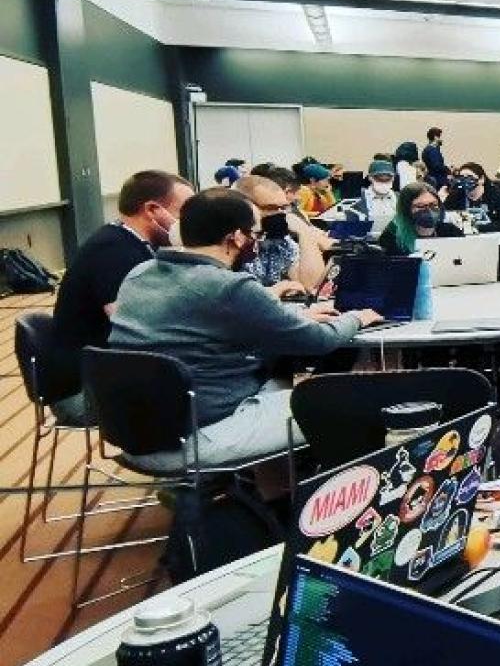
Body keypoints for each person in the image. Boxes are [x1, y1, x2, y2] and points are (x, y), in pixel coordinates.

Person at [109, 189, 381, 470]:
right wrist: (357, 317)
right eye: (256, 233)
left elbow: (201, 321)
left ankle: (270, 488)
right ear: (237, 237)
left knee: (284, 380)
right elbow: (320, 340)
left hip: (136, 436)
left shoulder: (140, 273)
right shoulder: (229, 286)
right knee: (348, 404)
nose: (257, 241)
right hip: (198, 438)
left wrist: (296, 315)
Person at [43, 171, 194, 421]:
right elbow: (135, 327)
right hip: (83, 394)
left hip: (102, 377)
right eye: (185, 213)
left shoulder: (128, 241)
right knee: (216, 391)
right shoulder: (114, 251)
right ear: (152, 210)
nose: (191, 222)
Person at [236, 175, 330, 293]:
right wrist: (277, 290)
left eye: (284, 207)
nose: (280, 214)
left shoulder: (280, 241)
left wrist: (304, 232)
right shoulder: (231, 242)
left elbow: (312, 285)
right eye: (271, 208)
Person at [378, 183, 464, 255]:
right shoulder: (392, 237)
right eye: (420, 206)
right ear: (406, 209)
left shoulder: (451, 232)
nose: (428, 210)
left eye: (433, 205)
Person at [441, 162, 500, 229]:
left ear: (481, 179)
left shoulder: (498, 197)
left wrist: (478, 227)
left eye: (469, 176)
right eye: (462, 177)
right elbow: (443, 217)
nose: (465, 180)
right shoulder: (455, 196)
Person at [360, 160, 399, 233]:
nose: (384, 182)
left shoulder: (399, 198)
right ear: (370, 178)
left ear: (393, 178)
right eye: (379, 179)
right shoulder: (360, 199)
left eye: (388, 179)